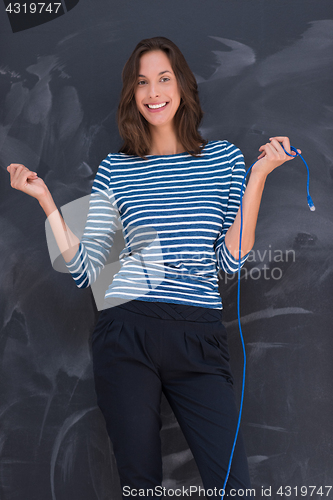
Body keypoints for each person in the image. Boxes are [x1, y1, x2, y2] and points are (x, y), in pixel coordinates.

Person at [7, 36, 300, 499]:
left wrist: (258, 176)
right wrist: (46, 200)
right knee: (139, 487)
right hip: (126, 332)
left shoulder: (223, 159)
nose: (153, 91)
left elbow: (230, 259)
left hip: (197, 335)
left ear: (182, 86)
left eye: (164, 78)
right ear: (133, 94)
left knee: (231, 486)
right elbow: (88, 272)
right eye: (142, 82)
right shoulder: (116, 169)